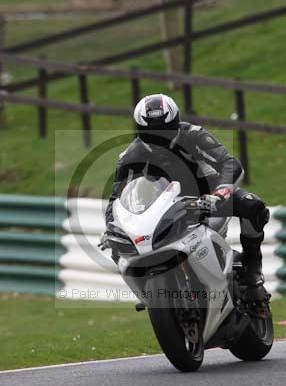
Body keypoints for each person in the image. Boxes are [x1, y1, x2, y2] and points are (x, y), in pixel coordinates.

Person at [105, 93, 271, 296]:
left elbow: (230, 163)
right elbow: (116, 199)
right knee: (118, 246)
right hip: (163, 210)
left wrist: (220, 193)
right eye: (151, 133)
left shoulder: (193, 135)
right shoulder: (131, 156)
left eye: (164, 131)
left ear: (176, 123)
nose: (159, 138)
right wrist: (112, 227)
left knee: (253, 206)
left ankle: (252, 269)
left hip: (208, 197)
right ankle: (149, 295)